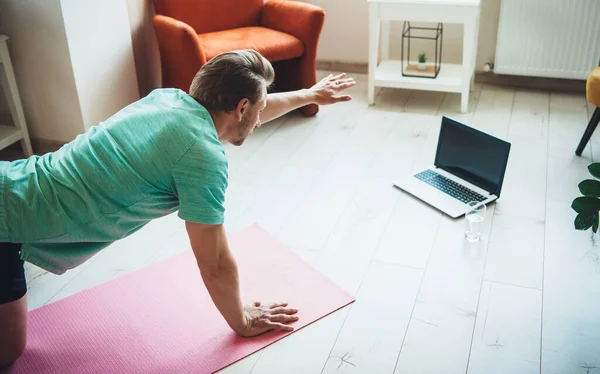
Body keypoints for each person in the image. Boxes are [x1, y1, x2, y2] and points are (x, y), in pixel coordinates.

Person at [0, 49, 356, 367]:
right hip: (7, 228)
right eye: (259, 109)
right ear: (242, 108)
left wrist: (311, 95)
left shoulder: (168, 100)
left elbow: (254, 107)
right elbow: (214, 262)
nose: (261, 118)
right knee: (8, 352)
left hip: (11, 181)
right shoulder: (202, 157)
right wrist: (242, 321)